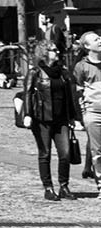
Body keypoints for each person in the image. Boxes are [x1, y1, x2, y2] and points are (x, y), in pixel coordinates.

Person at [20, 39, 79, 201]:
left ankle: (64, 186)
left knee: (65, 154)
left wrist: (73, 117)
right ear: (45, 52)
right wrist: (27, 114)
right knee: (45, 153)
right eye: (53, 49)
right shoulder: (35, 72)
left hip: (61, 119)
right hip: (42, 119)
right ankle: (48, 187)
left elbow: (70, 96)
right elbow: (27, 93)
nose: (57, 52)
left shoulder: (63, 72)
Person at [74, 31, 101, 183]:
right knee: (97, 152)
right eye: (96, 39)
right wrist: (83, 115)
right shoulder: (81, 66)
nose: (100, 40)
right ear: (87, 46)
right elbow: (78, 92)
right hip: (93, 113)